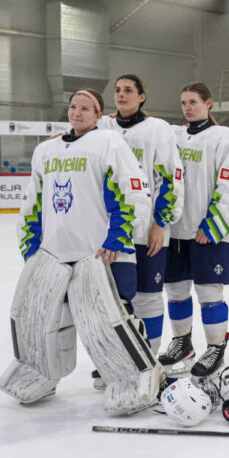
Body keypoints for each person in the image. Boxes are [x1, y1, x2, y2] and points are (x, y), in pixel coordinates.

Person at [1, 89, 158, 413]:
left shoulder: (109, 143)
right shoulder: (46, 150)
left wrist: (118, 237)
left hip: (100, 252)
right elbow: (34, 201)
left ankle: (134, 374)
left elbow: (131, 191)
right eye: (73, 106)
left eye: (86, 108)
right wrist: (32, 245)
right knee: (42, 317)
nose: (77, 112)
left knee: (109, 318)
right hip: (56, 254)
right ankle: (41, 371)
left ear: (99, 115)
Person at [160, 82, 229, 378]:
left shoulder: (222, 136)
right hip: (176, 229)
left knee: (209, 293)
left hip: (207, 230)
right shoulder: (174, 135)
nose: (187, 107)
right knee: (176, 291)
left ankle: (216, 347)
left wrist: (213, 223)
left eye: (193, 101)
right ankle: (182, 342)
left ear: (209, 103)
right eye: (183, 102)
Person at [97, 75, 184, 356]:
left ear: (142, 96)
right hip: (113, 232)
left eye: (129, 90)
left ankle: (150, 357)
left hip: (148, 230)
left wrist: (160, 223)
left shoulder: (158, 129)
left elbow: (171, 177)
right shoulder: (103, 126)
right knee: (114, 299)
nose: (122, 95)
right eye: (118, 90)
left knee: (148, 296)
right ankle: (118, 359)